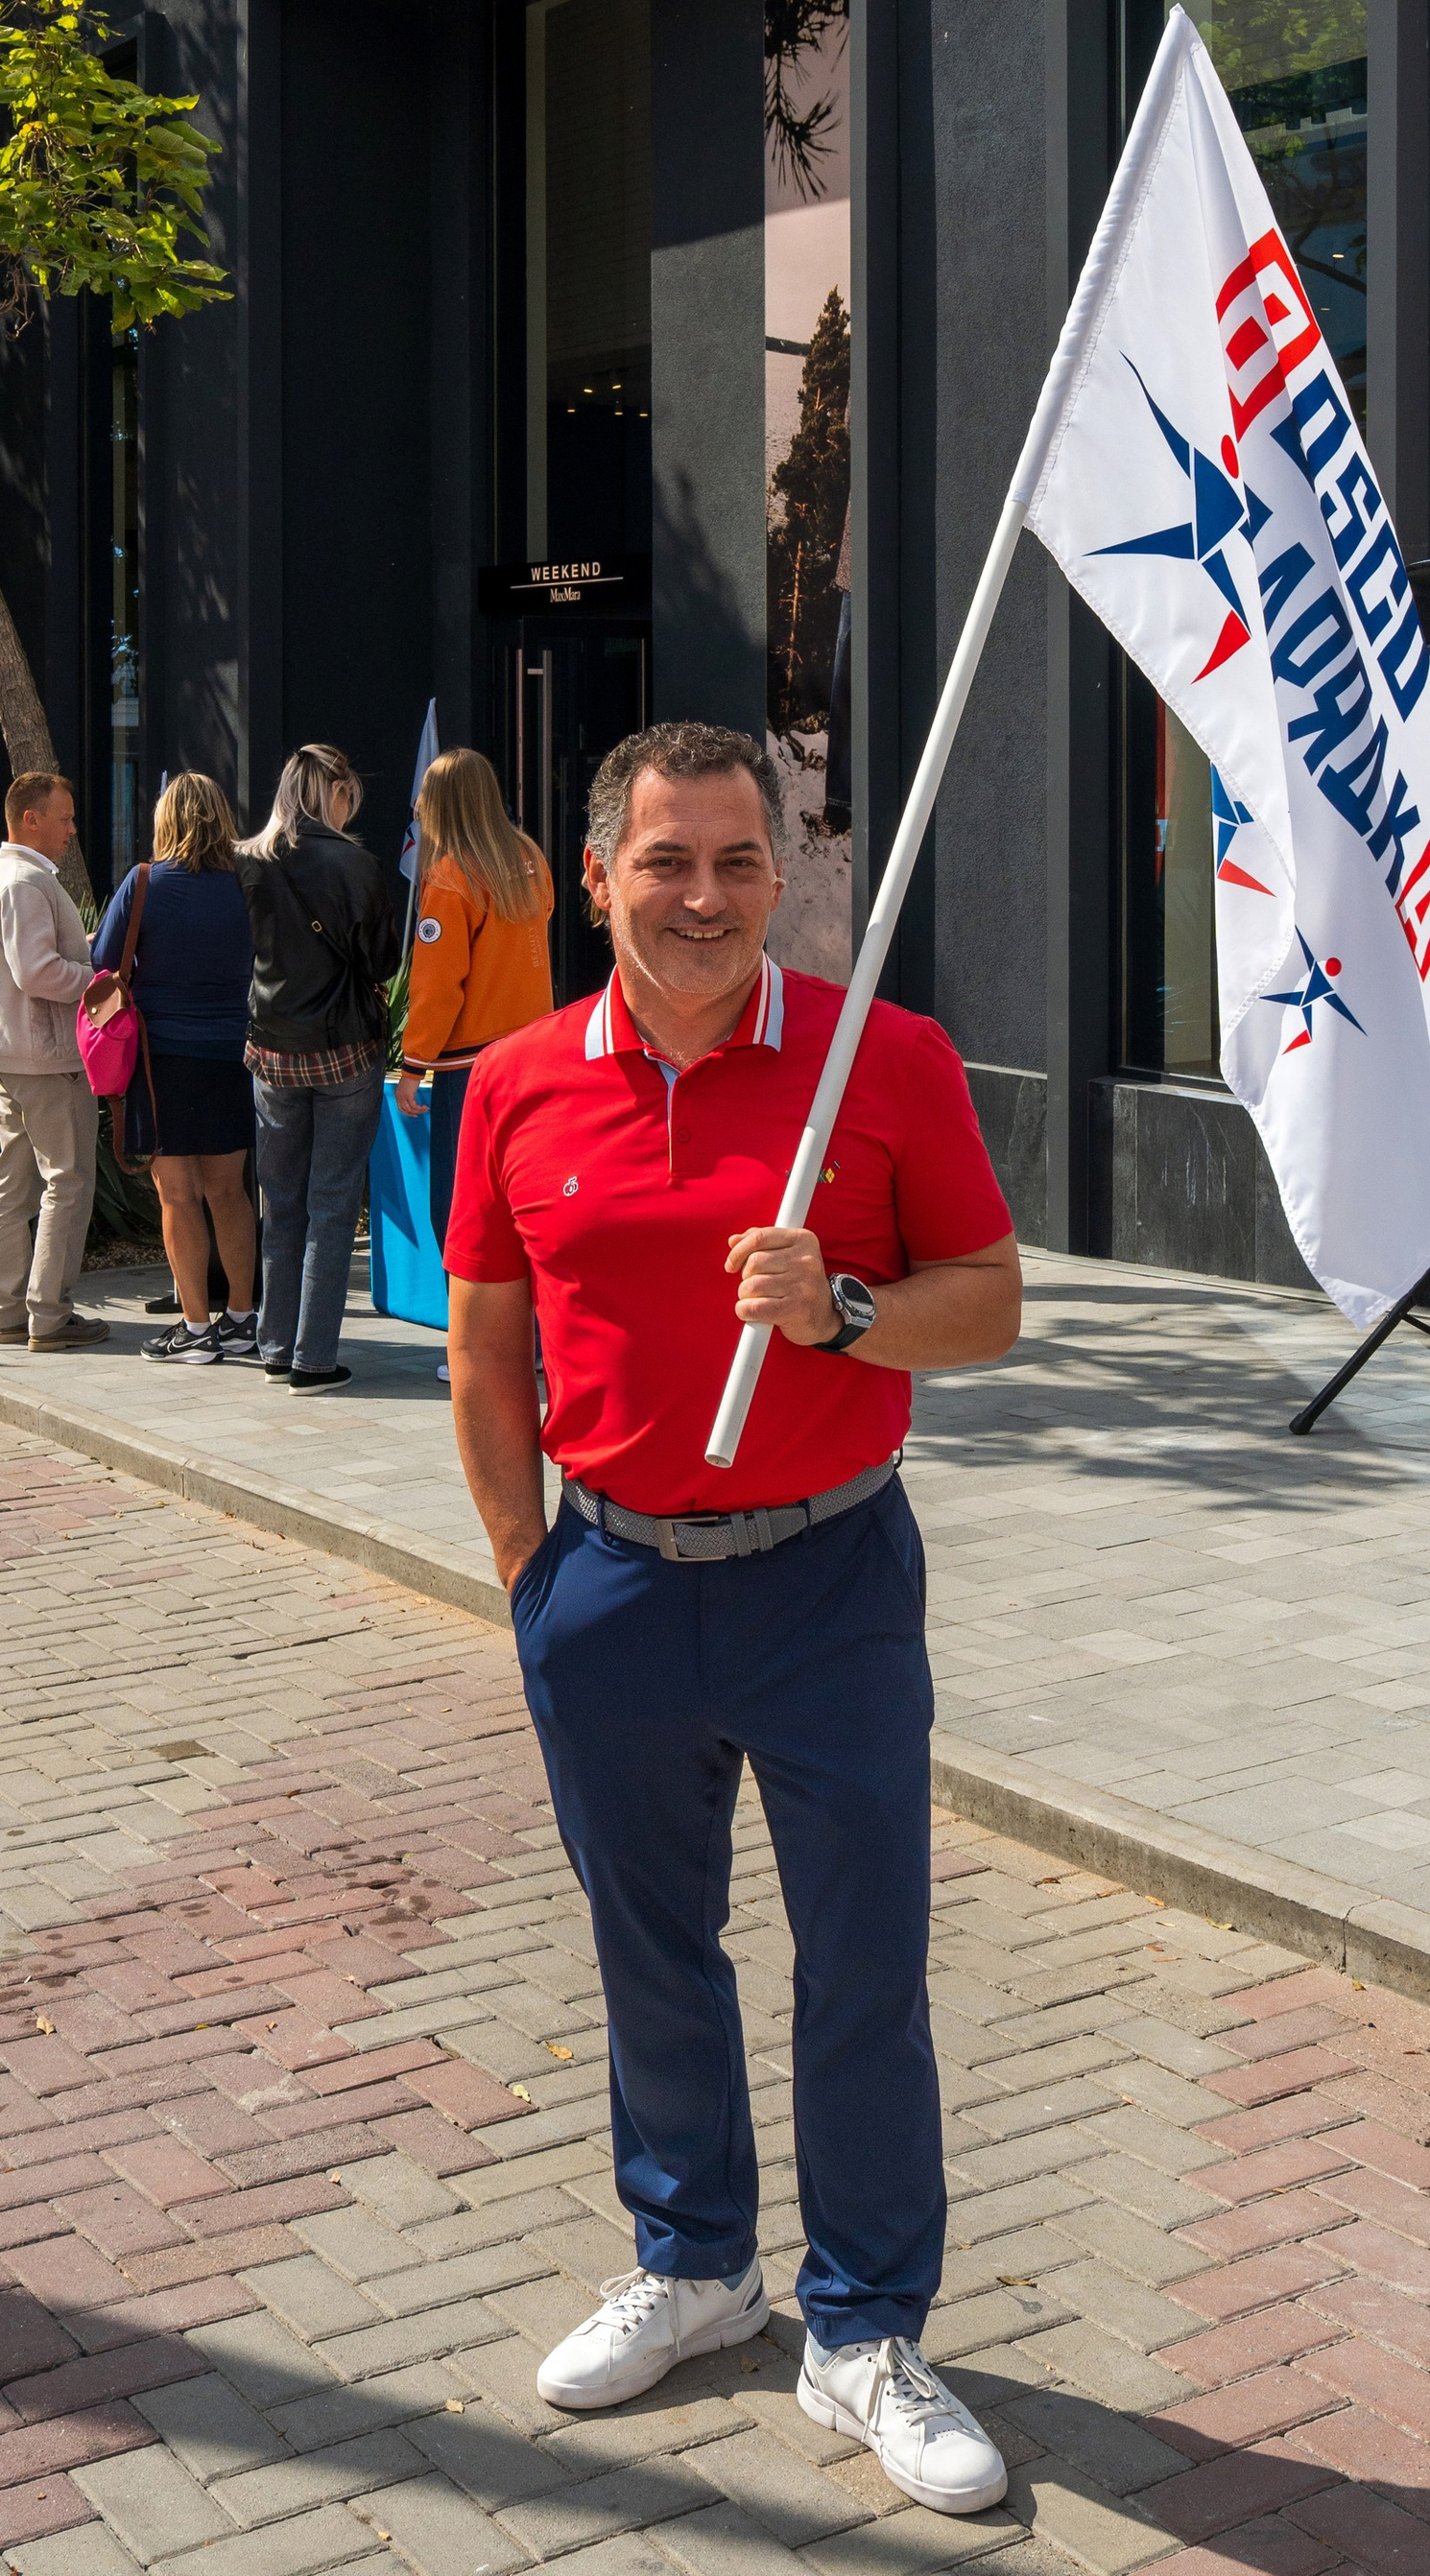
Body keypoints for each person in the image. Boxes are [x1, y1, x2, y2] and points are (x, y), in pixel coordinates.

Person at [442, 721, 1023, 2514]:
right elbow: (485, 1347)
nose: (703, 898)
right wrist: (529, 1572)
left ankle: (863, 2330)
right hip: (610, 1585)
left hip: (831, 1582)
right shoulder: (518, 1083)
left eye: (737, 863)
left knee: (864, 1965)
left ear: (783, 877)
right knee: (650, 1947)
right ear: (598, 873)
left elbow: (990, 1305)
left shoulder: (888, 1060)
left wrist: (845, 1306)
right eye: (666, 861)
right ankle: (696, 2265)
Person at [241, 743, 403, 1390]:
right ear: (333, 793)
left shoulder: (247, 862)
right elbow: (382, 963)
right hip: (343, 1049)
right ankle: (312, 1356)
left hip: (271, 1049)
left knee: (279, 1201)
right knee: (331, 1204)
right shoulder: (356, 865)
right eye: (348, 796)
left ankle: (274, 1346)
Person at [92, 771, 259, 1369]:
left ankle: (194, 1328)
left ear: (166, 821)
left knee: (178, 1194)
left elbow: (103, 961)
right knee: (230, 1192)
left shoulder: (145, 883)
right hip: (234, 1055)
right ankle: (242, 1318)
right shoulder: (246, 883)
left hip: (161, 1060)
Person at [393, 744, 556, 1244]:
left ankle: (470, 1323)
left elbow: (438, 986)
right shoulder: (528, 855)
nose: (418, 807)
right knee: (521, 1199)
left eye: (425, 798)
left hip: (470, 1066)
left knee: (461, 1212)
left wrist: (413, 1066)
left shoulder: (450, 876)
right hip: (531, 1052)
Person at [0, 772, 106, 1351]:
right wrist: (100, 981)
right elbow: (37, 971)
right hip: (46, 1059)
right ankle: (48, 1315)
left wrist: (86, 955)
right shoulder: (25, 881)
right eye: (65, 817)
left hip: (9, 1054)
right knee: (66, 1182)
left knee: (14, 1183)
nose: (73, 829)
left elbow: (34, 963)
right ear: (31, 819)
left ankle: (9, 1311)